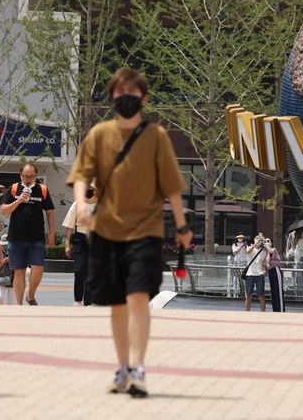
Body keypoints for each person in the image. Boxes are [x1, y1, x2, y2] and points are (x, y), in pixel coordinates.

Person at [67, 68, 191, 397]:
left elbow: (172, 187)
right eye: (120, 91)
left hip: (145, 231)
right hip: (107, 231)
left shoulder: (156, 137)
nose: (126, 97)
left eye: (132, 93)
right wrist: (81, 203)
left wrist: (181, 226)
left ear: (144, 99)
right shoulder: (98, 134)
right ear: (112, 96)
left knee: (138, 299)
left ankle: (138, 368)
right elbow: (81, 175)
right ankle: (122, 367)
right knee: (118, 305)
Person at [0, 163, 55, 305]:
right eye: (26, 176)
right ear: (20, 175)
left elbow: (50, 212)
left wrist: (52, 234)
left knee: (38, 268)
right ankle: (19, 305)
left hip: (37, 237)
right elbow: (4, 211)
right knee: (19, 271)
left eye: (31, 176)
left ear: (36, 176)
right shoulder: (13, 189)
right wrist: (18, 200)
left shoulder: (42, 189)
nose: (28, 179)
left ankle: (30, 296)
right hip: (16, 238)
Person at [63, 186, 95, 306]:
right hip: (80, 240)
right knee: (79, 270)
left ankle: (88, 302)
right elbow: (69, 225)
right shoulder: (78, 204)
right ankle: (77, 300)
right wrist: (67, 244)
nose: (89, 191)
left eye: (92, 189)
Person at [244, 233, 269, 312]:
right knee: (248, 295)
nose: (258, 240)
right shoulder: (250, 248)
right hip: (250, 274)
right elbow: (248, 251)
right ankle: (247, 313)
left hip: (260, 274)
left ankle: (263, 313)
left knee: (261, 295)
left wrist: (265, 271)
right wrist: (256, 243)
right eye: (257, 238)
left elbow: (267, 262)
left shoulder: (264, 251)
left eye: (259, 238)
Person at [265, 237, 285, 312]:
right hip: (270, 271)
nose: (266, 242)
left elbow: (271, 251)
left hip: (276, 270)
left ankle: (281, 309)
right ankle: (275, 310)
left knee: (278, 290)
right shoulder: (266, 251)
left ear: (272, 242)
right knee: (273, 291)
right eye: (265, 241)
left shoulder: (273, 249)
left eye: (268, 241)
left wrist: (265, 245)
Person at [0, 234, 14, 305]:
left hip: (12, 279)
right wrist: (3, 261)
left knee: (10, 301)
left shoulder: (14, 251)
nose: (5, 246)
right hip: (1, 277)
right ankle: (0, 312)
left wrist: (11, 259)